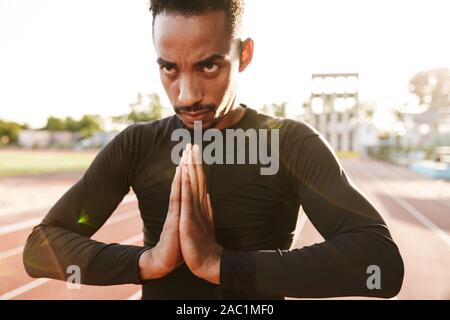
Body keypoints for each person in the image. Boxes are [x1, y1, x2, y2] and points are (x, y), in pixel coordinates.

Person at [23, 0, 404, 299]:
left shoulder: (289, 143)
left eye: (208, 66)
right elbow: (40, 248)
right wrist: (149, 261)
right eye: (169, 69)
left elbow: (379, 263)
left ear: (245, 54)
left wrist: (219, 264)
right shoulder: (137, 144)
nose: (186, 96)